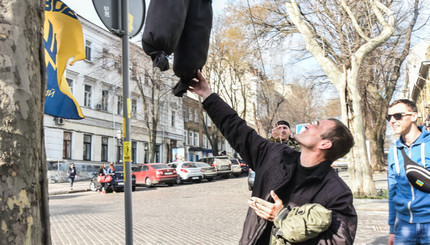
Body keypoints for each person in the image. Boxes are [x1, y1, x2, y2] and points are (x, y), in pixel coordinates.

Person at [188, 70, 357, 244]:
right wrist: (207, 95)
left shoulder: (337, 193)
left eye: (317, 126)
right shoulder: (275, 154)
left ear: (325, 144)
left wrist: (283, 217)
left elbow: (338, 241)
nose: (308, 125)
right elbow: (237, 129)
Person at [387, 99, 430, 245]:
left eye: (398, 115)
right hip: (404, 226)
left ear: (414, 116)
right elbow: (392, 190)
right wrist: (392, 229)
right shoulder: (393, 151)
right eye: (389, 117)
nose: (392, 120)